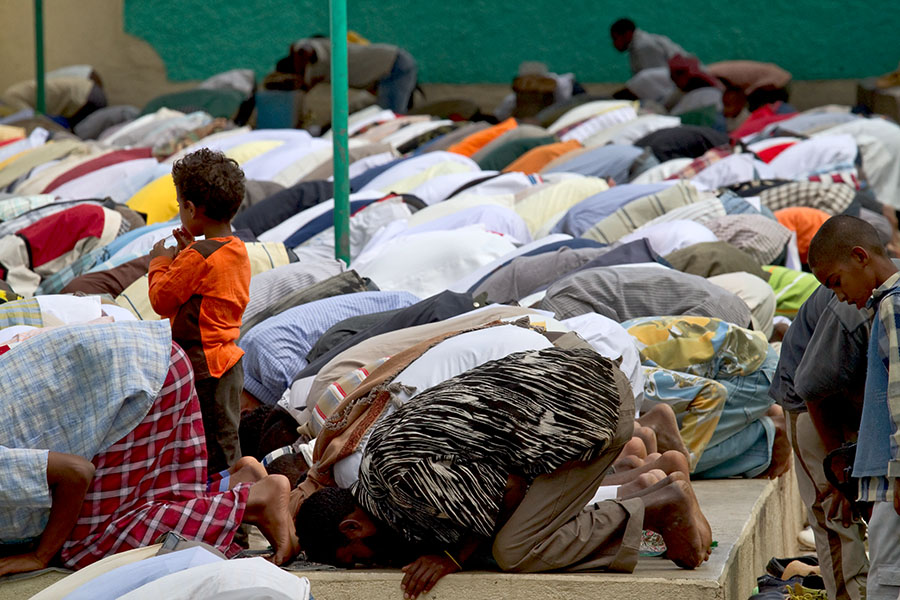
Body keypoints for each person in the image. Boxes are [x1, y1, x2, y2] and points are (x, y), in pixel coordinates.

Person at [297, 347, 712, 600]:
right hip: (574, 390)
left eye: (353, 562)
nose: (365, 568)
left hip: (590, 410)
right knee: (494, 540)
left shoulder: (400, 481)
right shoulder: (375, 480)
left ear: (352, 528)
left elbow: (510, 491)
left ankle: (655, 507)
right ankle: (642, 487)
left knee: (512, 551)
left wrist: (449, 558)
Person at [0, 323, 297, 575]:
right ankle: (234, 484)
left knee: (85, 546)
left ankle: (254, 500)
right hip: (144, 366)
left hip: (141, 383)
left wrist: (40, 556)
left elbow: (77, 473)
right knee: (140, 504)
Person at [807, 215, 900, 600]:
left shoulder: (893, 306)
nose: (839, 297)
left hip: (892, 482)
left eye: (836, 283)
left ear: (860, 257)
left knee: (888, 580)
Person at [148, 148, 251, 474]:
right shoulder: (234, 248)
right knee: (225, 442)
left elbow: (162, 300)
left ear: (191, 208)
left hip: (204, 368)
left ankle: (237, 510)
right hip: (226, 363)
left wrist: (160, 261)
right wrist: (188, 251)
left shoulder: (199, 256)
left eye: (181, 205)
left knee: (214, 453)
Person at [769, 284, 870, 600]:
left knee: (877, 501)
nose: (840, 291)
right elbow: (812, 390)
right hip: (812, 401)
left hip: (860, 401)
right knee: (835, 509)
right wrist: (839, 464)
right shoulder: (852, 307)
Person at [290, 37, 418, 113]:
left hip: (394, 65)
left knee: (389, 116)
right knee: (384, 115)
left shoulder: (314, 48)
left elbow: (304, 49)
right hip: (388, 68)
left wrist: (300, 74)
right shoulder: (323, 68)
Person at [610, 19, 691, 76]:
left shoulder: (644, 47)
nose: (614, 43)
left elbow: (659, 79)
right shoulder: (637, 46)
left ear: (627, 34)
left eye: (615, 38)